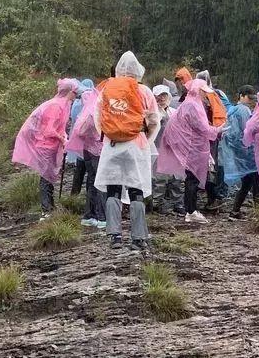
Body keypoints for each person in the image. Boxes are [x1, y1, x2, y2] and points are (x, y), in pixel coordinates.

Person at [94, 51, 160, 251]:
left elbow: (98, 118)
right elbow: (155, 120)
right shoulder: (145, 91)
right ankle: (139, 236)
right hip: (136, 144)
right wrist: (145, 140)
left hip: (112, 145)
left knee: (113, 188)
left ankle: (114, 235)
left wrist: (110, 136)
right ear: (138, 71)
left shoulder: (107, 89)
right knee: (136, 189)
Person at [156, 78, 224, 224]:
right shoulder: (192, 105)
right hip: (192, 148)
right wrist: (217, 129)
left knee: (191, 179)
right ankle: (191, 211)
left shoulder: (190, 104)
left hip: (192, 147)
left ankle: (191, 209)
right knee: (192, 179)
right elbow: (201, 127)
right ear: (198, 91)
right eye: (204, 92)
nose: (206, 95)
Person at [12, 78, 81, 217]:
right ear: (69, 92)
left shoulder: (63, 104)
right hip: (46, 146)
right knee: (46, 177)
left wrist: (63, 136)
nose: (76, 95)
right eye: (74, 92)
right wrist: (62, 138)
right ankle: (46, 210)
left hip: (51, 146)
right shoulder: (56, 106)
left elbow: (57, 128)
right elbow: (49, 130)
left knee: (49, 177)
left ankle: (50, 206)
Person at [65, 84, 106, 228]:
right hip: (97, 151)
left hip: (87, 150)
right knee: (100, 183)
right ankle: (101, 217)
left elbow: (80, 132)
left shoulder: (85, 111)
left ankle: (89, 215)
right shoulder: (94, 111)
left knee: (91, 181)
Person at [219, 86, 259, 219]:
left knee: (247, 183)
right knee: (256, 182)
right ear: (241, 96)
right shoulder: (243, 110)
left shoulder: (232, 110)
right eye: (248, 97)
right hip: (247, 153)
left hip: (238, 153)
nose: (250, 100)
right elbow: (245, 131)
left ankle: (235, 211)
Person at [196, 69, 229, 210]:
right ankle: (212, 198)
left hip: (204, 135)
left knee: (204, 168)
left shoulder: (202, 96)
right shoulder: (215, 95)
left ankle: (210, 198)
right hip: (213, 134)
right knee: (210, 167)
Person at [149, 84, 184, 214]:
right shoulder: (152, 113)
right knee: (160, 179)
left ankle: (177, 203)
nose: (161, 98)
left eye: (164, 95)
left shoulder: (174, 112)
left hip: (174, 150)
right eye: (158, 95)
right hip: (158, 149)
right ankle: (158, 204)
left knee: (177, 178)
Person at [68, 79, 95, 195]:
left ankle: (74, 194)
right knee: (91, 173)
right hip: (90, 143)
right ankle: (90, 196)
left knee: (79, 170)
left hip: (77, 140)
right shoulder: (90, 102)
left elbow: (72, 119)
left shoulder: (76, 103)